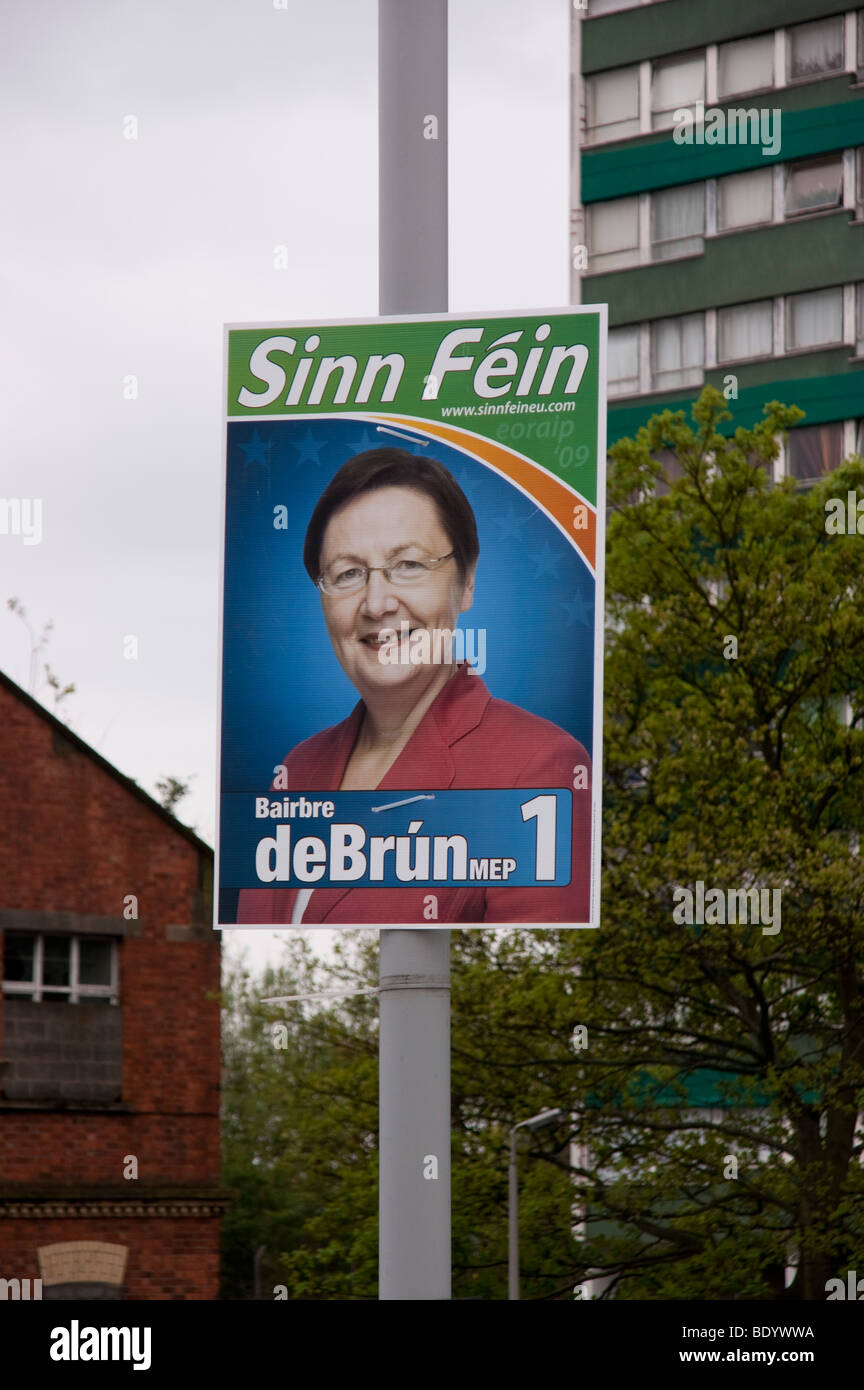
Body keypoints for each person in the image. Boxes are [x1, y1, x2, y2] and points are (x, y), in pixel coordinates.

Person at [236, 447, 591, 925]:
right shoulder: (295, 772)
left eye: (408, 565)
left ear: (465, 581)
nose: (377, 603)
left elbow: (531, 981)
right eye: (348, 574)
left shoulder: (537, 767)